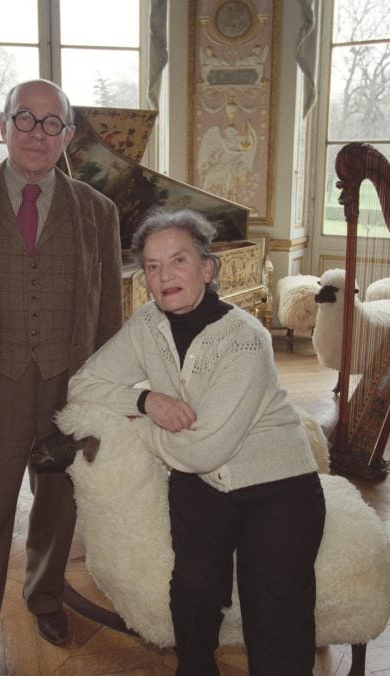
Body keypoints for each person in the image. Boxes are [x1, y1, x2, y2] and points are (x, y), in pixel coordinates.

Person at [67, 209, 326, 675]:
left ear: (208, 269)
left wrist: (139, 430)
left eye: (178, 260)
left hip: (278, 485)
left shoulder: (247, 338)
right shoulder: (147, 324)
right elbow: (82, 385)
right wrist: (146, 400)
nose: (165, 275)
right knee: (192, 591)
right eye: (151, 266)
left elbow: (208, 449)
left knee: (275, 613)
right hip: (200, 482)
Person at [0, 79, 123, 674]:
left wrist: (102, 396)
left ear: (68, 135)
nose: (38, 133)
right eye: (25, 119)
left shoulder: (99, 211)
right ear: (3, 123)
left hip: (70, 387)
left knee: (58, 506)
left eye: (51, 122)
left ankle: (46, 595)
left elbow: (109, 311)